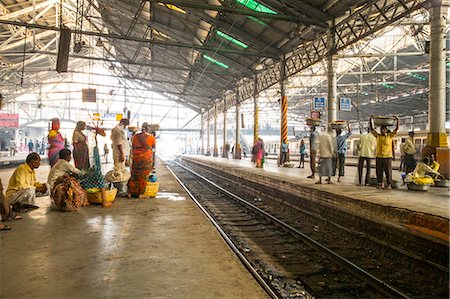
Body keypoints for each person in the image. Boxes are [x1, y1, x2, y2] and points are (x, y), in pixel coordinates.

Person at [370, 115, 399, 189]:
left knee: (388, 171)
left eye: (384, 129)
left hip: (387, 157)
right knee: (379, 171)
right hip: (379, 156)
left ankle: (389, 184)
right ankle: (381, 183)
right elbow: (372, 129)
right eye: (382, 129)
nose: (383, 130)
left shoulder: (390, 136)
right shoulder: (378, 136)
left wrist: (398, 120)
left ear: (386, 130)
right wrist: (371, 120)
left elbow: (396, 129)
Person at [128, 123, 156, 198]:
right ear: (148, 129)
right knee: (143, 176)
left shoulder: (135, 136)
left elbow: (133, 146)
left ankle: (130, 192)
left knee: (134, 174)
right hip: (146, 158)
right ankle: (140, 193)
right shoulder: (151, 137)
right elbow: (153, 147)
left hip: (137, 157)